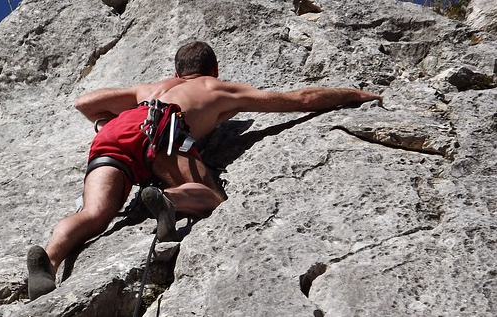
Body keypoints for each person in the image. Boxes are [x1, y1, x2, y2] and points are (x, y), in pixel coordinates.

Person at [26, 41, 382, 300]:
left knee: (93, 212)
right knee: (212, 197)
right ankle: (170, 198)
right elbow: (300, 100)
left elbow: (84, 103)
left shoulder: (150, 88)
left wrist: (105, 120)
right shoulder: (216, 88)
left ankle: (51, 259)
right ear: (213, 69)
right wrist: (351, 94)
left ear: (178, 70)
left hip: (121, 131)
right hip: (167, 129)